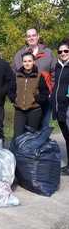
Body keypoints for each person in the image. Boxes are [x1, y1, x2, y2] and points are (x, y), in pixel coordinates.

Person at [11, 28, 56, 130]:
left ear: (38, 36)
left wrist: (50, 90)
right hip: (24, 100)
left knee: (43, 127)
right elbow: (12, 76)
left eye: (33, 35)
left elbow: (55, 73)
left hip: (44, 97)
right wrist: (15, 96)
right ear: (26, 38)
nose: (31, 38)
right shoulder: (19, 55)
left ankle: (41, 146)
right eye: (29, 36)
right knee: (24, 130)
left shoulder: (48, 53)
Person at [8, 53, 49, 141]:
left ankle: (30, 155)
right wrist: (15, 98)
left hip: (34, 110)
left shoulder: (39, 76)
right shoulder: (17, 76)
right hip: (19, 110)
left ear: (34, 62)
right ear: (22, 63)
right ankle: (16, 154)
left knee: (32, 136)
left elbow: (45, 91)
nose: (27, 63)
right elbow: (10, 90)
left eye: (29, 61)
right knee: (17, 136)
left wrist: (37, 99)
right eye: (25, 61)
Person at [51, 38, 69, 175]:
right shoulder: (58, 66)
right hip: (59, 107)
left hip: (68, 107)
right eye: (60, 51)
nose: (63, 53)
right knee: (66, 137)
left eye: (66, 51)